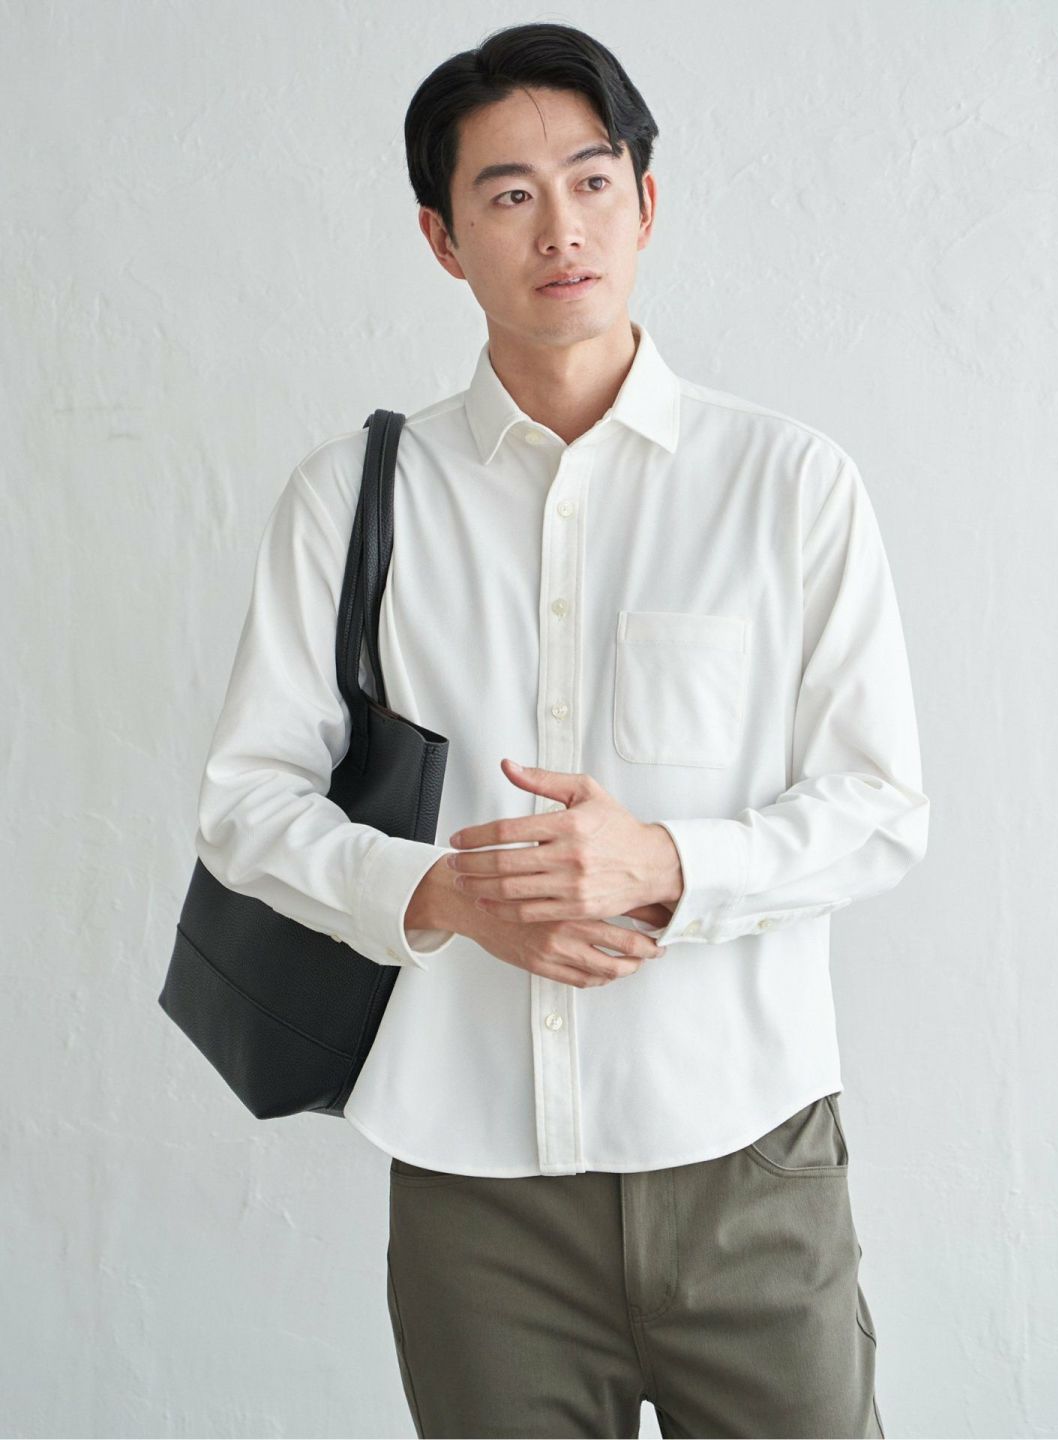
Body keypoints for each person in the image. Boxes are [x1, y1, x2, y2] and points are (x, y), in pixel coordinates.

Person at [194, 20, 929, 1439]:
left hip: (749, 1158)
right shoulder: (353, 499)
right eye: (508, 193)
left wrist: (667, 862)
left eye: (592, 181)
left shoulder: (789, 485)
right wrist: (441, 894)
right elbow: (246, 802)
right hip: (476, 1197)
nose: (560, 228)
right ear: (441, 237)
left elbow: (881, 806)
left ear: (646, 202)